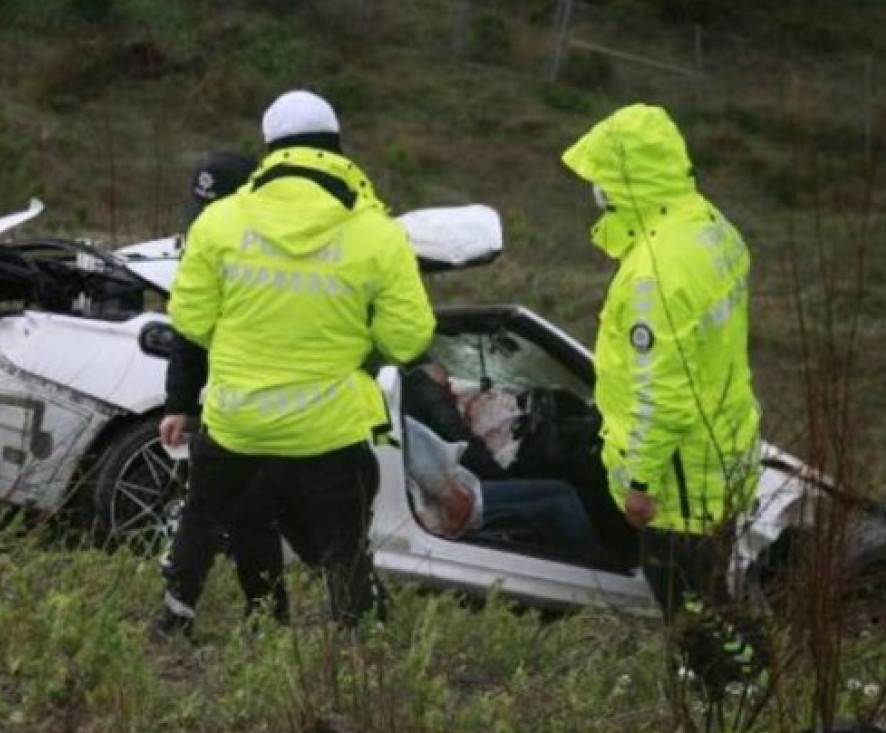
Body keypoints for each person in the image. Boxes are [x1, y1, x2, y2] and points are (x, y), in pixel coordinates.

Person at [158, 89, 436, 634]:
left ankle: (174, 620)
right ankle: (357, 642)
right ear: (336, 147)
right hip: (329, 426)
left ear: (270, 149)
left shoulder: (219, 221)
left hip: (237, 417)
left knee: (202, 515)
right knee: (343, 545)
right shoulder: (379, 233)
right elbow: (407, 340)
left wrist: (246, 344)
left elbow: (190, 320)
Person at [560, 104, 767, 696]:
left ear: (626, 181)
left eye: (601, 179)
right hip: (723, 448)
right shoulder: (709, 226)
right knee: (710, 590)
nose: (595, 194)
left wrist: (641, 482)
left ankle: (739, 690)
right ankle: (736, 680)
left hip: (680, 477)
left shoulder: (654, 274)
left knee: (690, 605)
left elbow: (663, 394)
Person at [161, 150, 299, 625]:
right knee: (225, 508)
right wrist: (179, 403)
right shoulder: (210, 242)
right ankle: (252, 614)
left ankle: (264, 614)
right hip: (231, 404)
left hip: (276, 405)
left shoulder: (281, 249)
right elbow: (188, 330)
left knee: (244, 510)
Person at [401, 361, 609, 565]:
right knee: (562, 494)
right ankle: (599, 568)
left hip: (460, 491)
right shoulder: (421, 422)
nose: (452, 392)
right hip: (468, 499)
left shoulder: (407, 412)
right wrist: (504, 480)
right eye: (447, 387)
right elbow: (458, 502)